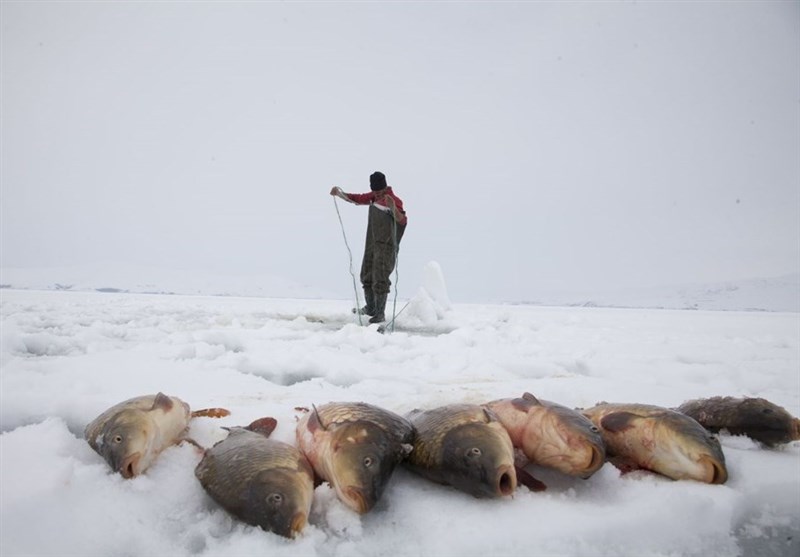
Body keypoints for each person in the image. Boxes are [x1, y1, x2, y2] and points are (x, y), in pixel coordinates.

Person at [330, 171, 407, 323]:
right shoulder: (373, 197)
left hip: (386, 246)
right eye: (374, 191)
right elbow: (357, 199)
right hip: (372, 243)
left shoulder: (394, 200)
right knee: (366, 274)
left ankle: (380, 313)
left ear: (385, 188)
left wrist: (393, 209)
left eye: (379, 192)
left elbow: (402, 221)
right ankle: (371, 307)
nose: (377, 195)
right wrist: (340, 194)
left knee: (380, 277)